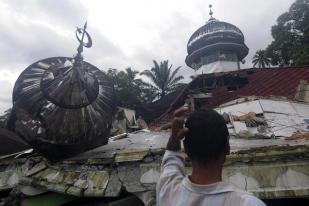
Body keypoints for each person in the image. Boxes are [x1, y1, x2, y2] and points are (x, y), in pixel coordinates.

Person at [156, 105, 266, 206]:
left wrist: (174, 138)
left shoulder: (168, 192)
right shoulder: (247, 203)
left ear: (187, 151)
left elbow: (171, 159)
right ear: (227, 147)